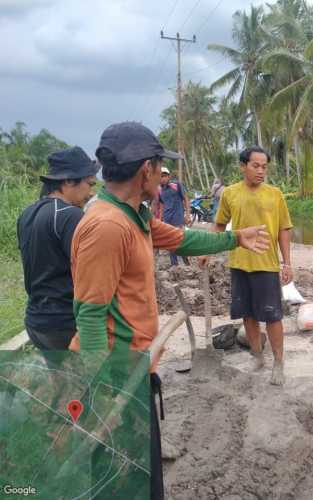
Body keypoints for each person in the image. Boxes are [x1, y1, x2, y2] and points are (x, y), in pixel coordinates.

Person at [69, 122, 269, 500]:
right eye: (160, 166)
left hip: (136, 372)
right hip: (116, 380)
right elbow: (90, 315)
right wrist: (104, 398)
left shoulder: (135, 215)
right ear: (145, 168)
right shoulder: (107, 226)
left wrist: (233, 237)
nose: (163, 175)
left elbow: (180, 238)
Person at [205, 146, 293, 386]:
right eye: (256, 166)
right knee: (247, 314)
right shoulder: (230, 194)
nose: (261, 171)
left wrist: (287, 262)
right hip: (239, 264)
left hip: (266, 265)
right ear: (243, 166)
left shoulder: (275, 195)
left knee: (272, 316)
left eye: (264, 167)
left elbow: (284, 229)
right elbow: (220, 225)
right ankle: (257, 356)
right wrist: (208, 251)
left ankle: (278, 362)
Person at [17, 146, 99, 350]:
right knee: (86, 381)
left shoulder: (27, 213)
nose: (91, 193)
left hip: (36, 321)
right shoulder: (70, 216)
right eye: (89, 184)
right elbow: (89, 275)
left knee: (61, 380)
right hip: (64, 323)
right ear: (68, 181)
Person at [156, 166, 190, 266]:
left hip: (178, 218)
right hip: (167, 219)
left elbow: (186, 199)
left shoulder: (176, 185)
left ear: (169, 176)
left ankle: (186, 261)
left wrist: (188, 214)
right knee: (170, 241)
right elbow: (162, 205)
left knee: (181, 239)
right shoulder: (159, 190)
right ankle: (174, 264)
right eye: (161, 176)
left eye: (165, 176)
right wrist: (160, 219)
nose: (163, 178)